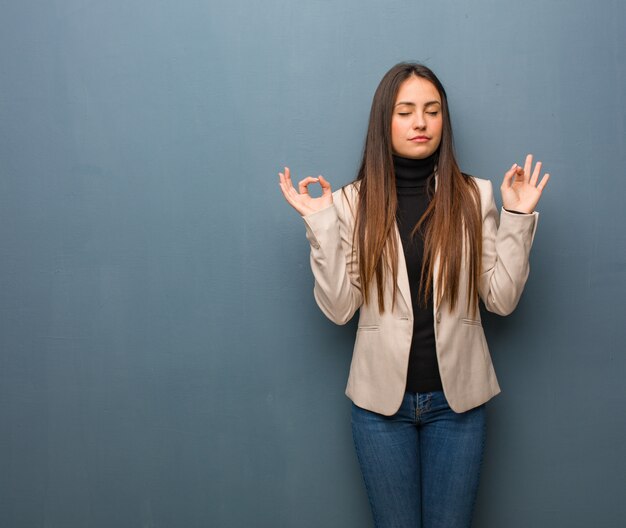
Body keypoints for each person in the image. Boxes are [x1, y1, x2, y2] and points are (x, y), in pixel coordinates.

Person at [277, 62, 550, 528]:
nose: (420, 122)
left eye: (432, 110)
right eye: (405, 111)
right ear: (384, 121)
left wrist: (517, 218)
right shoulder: (350, 202)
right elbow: (340, 308)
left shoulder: (474, 196)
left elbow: (500, 300)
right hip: (380, 408)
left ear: (444, 120)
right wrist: (321, 223)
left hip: (458, 406)